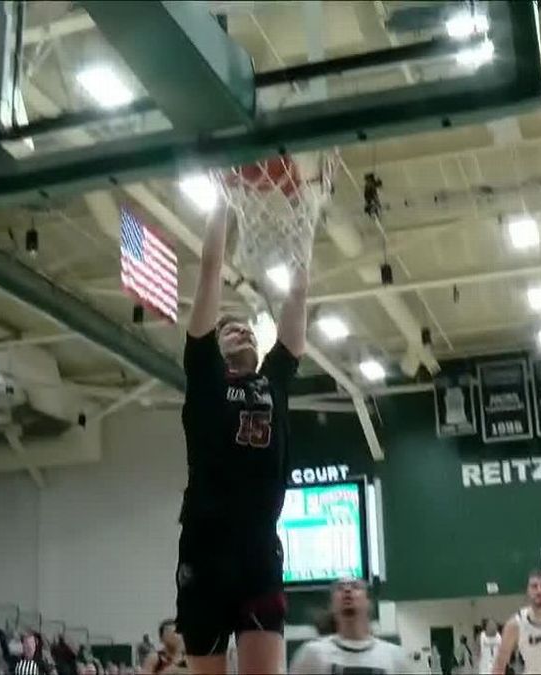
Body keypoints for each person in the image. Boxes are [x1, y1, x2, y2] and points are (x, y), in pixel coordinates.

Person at [176, 205, 309, 675]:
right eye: (229, 328)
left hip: (258, 550)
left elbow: (297, 297)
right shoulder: (206, 377)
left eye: (247, 326)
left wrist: (303, 229)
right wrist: (223, 203)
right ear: (215, 343)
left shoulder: (273, 380)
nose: (241, 329)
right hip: (205, 549)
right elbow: (210, 269)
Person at [289, 578, 419, 674]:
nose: (347, 590)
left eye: (356, 586)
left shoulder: (395, 657)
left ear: (368, 602)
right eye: (340, 588)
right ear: (332, 604)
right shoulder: (311, 654)